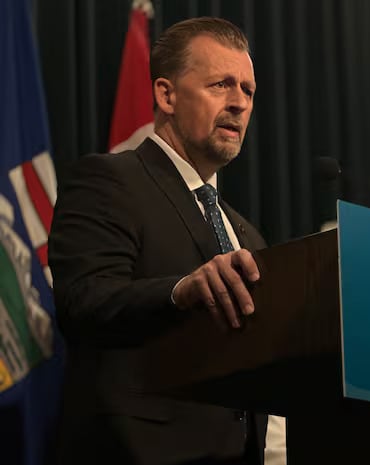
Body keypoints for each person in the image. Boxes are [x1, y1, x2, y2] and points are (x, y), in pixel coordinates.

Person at [49, 17, 279, 465]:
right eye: (221, 85)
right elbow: (83, 301)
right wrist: (181, 290)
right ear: (165, 95)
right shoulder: (109, 181)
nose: (238, 104)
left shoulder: (247, 234)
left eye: (248, 91)